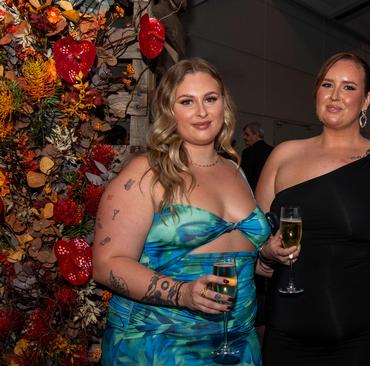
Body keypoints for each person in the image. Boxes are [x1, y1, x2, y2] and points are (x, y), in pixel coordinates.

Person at [92, 58, 270, 365]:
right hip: (159, 346)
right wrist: (182, 293)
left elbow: (233, 253)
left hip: (236, 346)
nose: (202, 112)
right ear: (168, 111)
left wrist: (265, 258)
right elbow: (106, 264)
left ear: (223, 105)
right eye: (187, 101)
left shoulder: (235, 170)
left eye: (210, 99)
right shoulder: (146, 172)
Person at [254, 52, 370, 365]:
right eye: (328, 84)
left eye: (348, 87)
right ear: (316, 92)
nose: (335, 95)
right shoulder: (283, 156)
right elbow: (251, 242)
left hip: (369, 334)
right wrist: (265, 255)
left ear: (366, 101)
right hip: (289, 328)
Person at [241, 122, 273, 192]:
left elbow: (244, 177)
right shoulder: (272, 151)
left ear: (256, 135)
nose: (244, 137)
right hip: (268, 192)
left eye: (247, 134)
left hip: (251, 193)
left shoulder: (248, 152)